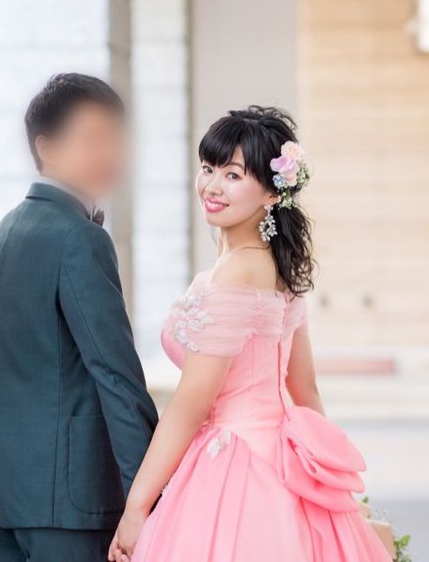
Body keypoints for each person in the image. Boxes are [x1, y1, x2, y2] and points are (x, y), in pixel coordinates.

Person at [109, 106, 391, 561]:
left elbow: (191, 402)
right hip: (279, 458)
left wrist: (137, 506)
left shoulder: (238, 272)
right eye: (207, 168)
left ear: (272, 193)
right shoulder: (278, 268)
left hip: (235, 465)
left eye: (233, 175)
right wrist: (327, 483)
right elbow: (305, 390)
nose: (212, 186)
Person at [0, 73, 159, 562]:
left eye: (114, 137)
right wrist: (148, 496)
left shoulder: (5, 231)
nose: (109, 154)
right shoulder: (80, 237)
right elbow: (116, 377)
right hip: (69, 501)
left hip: (4, 489)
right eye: (92, 138)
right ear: (46, 148)